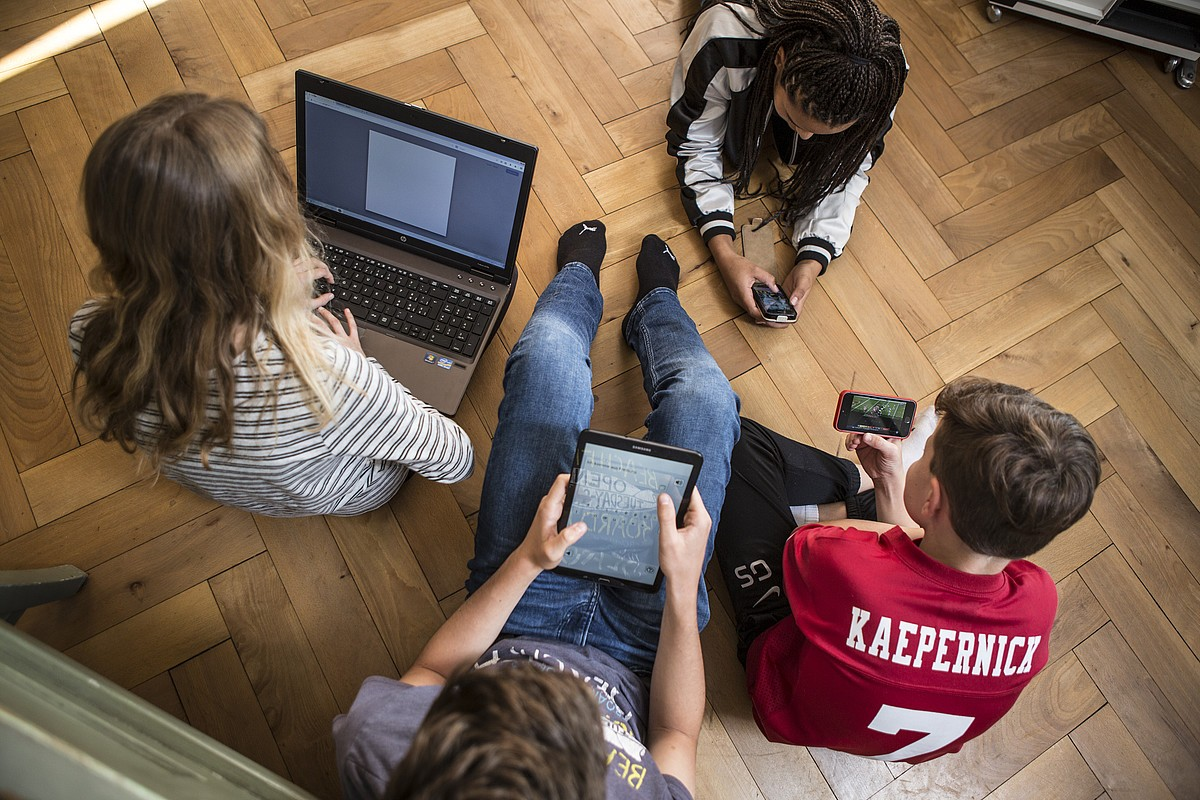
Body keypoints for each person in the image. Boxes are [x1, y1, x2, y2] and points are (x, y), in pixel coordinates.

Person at [334, 222, 741, 798]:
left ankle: (578, 276)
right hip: (647, 647)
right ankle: (656, 304)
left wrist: (527, 561)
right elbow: (675, 732)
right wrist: (679, 593)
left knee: (547, 358)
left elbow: (432, 674)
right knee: (708, 401)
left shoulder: (383, 752)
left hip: (519, 608)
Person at [69, 93, 473, 517]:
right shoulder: (327, 379)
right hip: (348, 491)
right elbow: (454, 458)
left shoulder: (89, 331)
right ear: (274, 229)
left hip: (229, 480)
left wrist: (273, 290)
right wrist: (360, 366)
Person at [714, 378, 1101, 762]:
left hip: (779, 689)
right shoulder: (1040, 598)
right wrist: (892, 477)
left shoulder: (845, 561)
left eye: (924, 455)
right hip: (872, 725)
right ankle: (868, 488)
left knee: (736, 443)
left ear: (932, 497)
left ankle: (851, 488)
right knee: (904, 519)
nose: (917, 457)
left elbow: (804, 544)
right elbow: (917, 540)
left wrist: (883, 493)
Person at [667, 0, 906, 323]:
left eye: (826, 131)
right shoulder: (726, 32)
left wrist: (813, 258)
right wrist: (723, 253)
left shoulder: (880, 73)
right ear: (779, 59)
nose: (806, 139)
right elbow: (696, 145)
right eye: (796, 121)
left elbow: (851, 165)